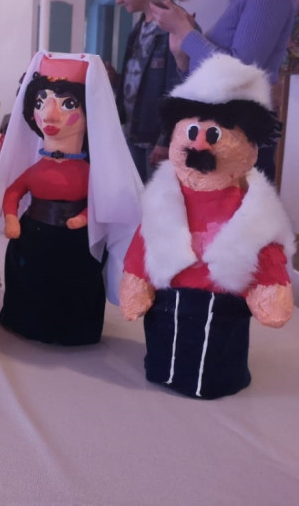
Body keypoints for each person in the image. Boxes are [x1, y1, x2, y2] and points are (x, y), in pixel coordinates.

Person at [119, 54, 294, 399]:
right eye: (192, 131)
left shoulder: (253, 209)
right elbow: (145, 242)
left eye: (213, 133)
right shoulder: (163, 199)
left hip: (223, 308)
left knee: (217, 363)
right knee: (165, 354)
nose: (199, 143)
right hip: (168, 304)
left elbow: (265, 249)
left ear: (249, 145)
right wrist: (136, 282)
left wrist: (269, 290)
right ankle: (165, 371)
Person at [0, 52, 142, 346]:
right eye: (40, 102)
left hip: (76, 241)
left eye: (68, 103)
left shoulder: (91, 172)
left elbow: (102, 201)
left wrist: (84, 217)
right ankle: (23, 321)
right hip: (33, 233)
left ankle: (72, 329)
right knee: (30, 280)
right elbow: (14, 191)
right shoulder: (35, 169)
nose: (49, 114)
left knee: (73, 283)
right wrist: (10, 217)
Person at [149, 0, 291, 181]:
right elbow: (210, 83)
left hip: (240, 134)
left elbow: (237, 73)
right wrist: (181, 56)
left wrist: (185, 31)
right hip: (220, 130)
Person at [109, 0, 190, 182]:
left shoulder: (176, 25)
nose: (118, 0)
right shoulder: (138, 29)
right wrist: (116, 80)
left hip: (157, 142)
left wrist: (165, 140)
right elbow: (143, 83)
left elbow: (180, 88)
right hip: (134, 135)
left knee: (158, 200)